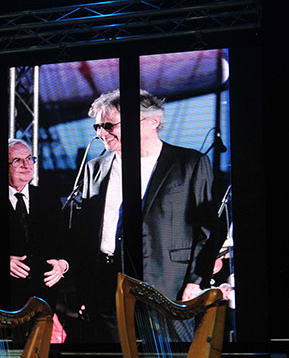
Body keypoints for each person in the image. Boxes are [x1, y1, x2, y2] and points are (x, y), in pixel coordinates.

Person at [76, 90, 216, 337]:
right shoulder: (95, 168)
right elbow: (84, 232)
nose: (100, 134)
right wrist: (85, 289)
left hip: (168, 284)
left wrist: (195, 281)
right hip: (106, 285)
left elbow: (206, 229)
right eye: (97, 126)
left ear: (151, 121)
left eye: (109, 125)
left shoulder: (189, 163)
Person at [6, 138, 71, 310]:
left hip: (44, 295)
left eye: (30, 159)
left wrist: (62, 264)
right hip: (3, 297)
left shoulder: (48, 198)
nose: (26, 165)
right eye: (17, 160)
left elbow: (65, 241)